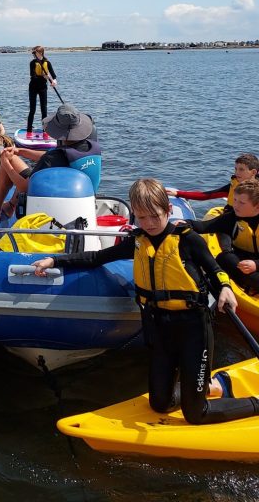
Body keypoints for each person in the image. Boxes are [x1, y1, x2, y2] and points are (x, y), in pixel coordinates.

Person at [33, 179, 259, 425]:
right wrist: (54, 261)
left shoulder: (188, 239)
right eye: (142, 217)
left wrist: (225, 288)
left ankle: (251, 403)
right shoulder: (138, 241)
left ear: (168, 211)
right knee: (159, 404)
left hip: (194, 328)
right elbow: (97, 257)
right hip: (160, 328)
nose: (149, 224)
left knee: (195, 414)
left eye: (155, 216)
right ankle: (203, 387)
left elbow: (215, 270)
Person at [0, 104, 101, 220]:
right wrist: (20, 151)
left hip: (52, 204)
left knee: (9, 160)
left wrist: (5, 163)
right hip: (82, 203)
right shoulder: (91, 147)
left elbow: (24, 187)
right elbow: (53, 157)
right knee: (14, 158)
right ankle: (9, 206)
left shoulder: (52, 159)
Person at [188, 180, 259, 296]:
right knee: (224, 258)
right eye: (235, 200)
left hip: (255, 264)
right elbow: (203, 227)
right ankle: (250, 282)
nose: (235, 205)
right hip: (243, 263)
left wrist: (256, 264)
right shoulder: (232, 218)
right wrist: (184, 223)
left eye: (241, 202)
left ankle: (250, 282)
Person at [166, 153, 259, 214]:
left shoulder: (256, 192)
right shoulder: (233, 185)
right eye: (236, 169)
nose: (237, 173)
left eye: (241, 169)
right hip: (230, 218)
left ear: (253, 172)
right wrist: (178, 193)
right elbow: (207, 195)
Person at [27, 46, 57, 135]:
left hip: (43, 88)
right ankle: (29, 129)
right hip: (33, 87)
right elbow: (33, 76)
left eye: (35, 52)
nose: (34, 54)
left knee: (44, 109)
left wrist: (54, 81)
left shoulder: (47, 62)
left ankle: (45, 130)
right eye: (34, 53)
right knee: (32, 109)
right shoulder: (32, 63)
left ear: (40, 53)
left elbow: (54, 75)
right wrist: (44, 76)